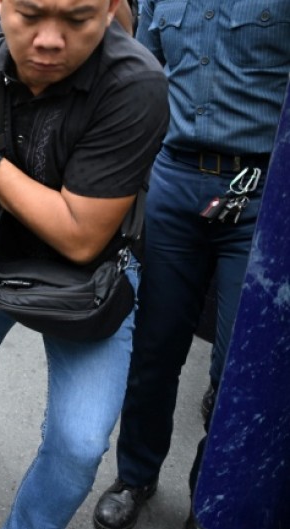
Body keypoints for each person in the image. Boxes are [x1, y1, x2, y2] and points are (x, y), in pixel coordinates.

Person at [0, 0, 170, 527]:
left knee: (80, 445)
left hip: (92, 281)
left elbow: (81, 237)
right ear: (0, 3)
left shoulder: (135, 85)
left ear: (111, 11)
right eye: (30, 14)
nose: (48, 40)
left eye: (76, 20)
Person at [92, 2, 290, 528]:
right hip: (174, 184)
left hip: (260, 193)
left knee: (235, 369)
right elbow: (145, 76)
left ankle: (212, 494)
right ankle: (135, 475)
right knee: (154, 351)